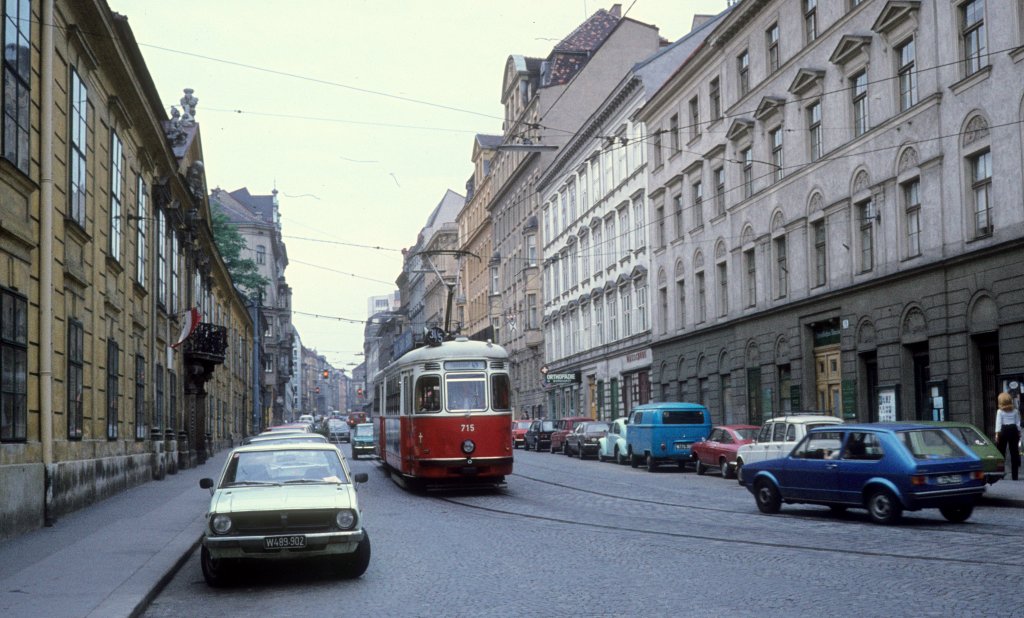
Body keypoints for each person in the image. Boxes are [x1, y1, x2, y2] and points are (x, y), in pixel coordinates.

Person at [994, 392, 1022, 481]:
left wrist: (997, 434)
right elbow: (1018, 423)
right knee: (1014, 452)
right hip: (1013, 430)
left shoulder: (1000, 411)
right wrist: (1019, 432)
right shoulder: (1015, 411)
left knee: (1001, 452)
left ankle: (1000, 475)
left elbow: (998, 423)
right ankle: (1015, 476)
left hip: (1004, 430)